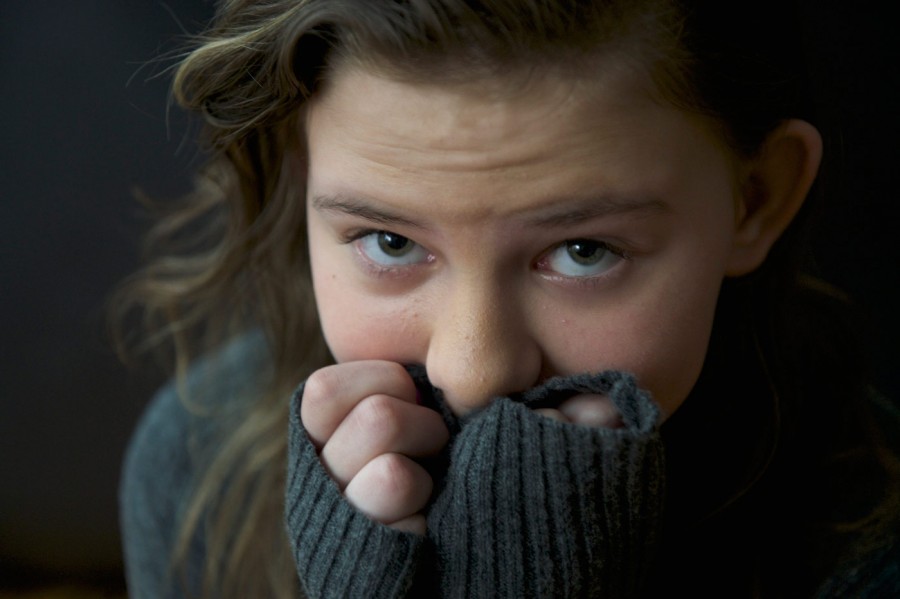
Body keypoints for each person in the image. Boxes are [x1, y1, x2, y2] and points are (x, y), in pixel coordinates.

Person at [114, 0, 900, 597]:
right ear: (301, 176)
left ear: (755, 199)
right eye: (390, 242)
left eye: (584, 251)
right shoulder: (198, 468)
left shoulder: (872, 548)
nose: (473, 373)